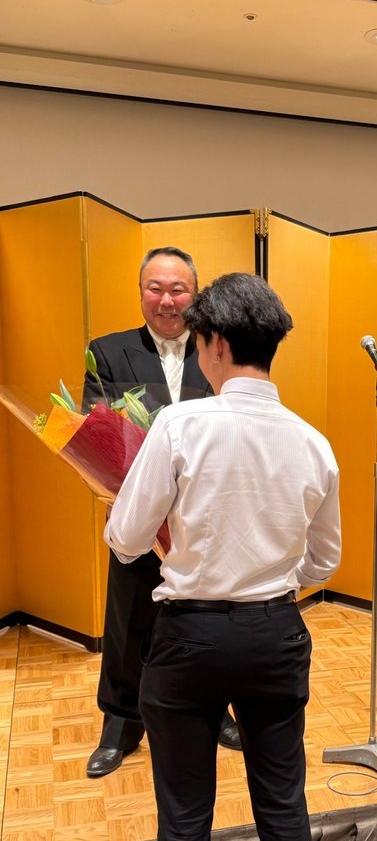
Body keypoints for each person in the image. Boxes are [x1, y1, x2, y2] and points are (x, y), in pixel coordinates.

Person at [105, 271, 341, 841]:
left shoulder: (180, 426)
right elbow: (325, 560)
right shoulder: (312, 441)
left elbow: (125, 539)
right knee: (284, 805)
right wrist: (267, 573)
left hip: (190, 638)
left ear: (212, 344)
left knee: (183, 814)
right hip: (276, 633)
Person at [84, 246, 241, 777]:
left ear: (195, 294)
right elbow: (93, 429)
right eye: (156, 288)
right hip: (135, 514)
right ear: (141, 291)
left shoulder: (220, 350)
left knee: (205, 622)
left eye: (179, 289)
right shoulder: (107, 351)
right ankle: (120, 723)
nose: (167, 300)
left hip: (203, 523)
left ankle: (214, 711)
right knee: (126, 620)